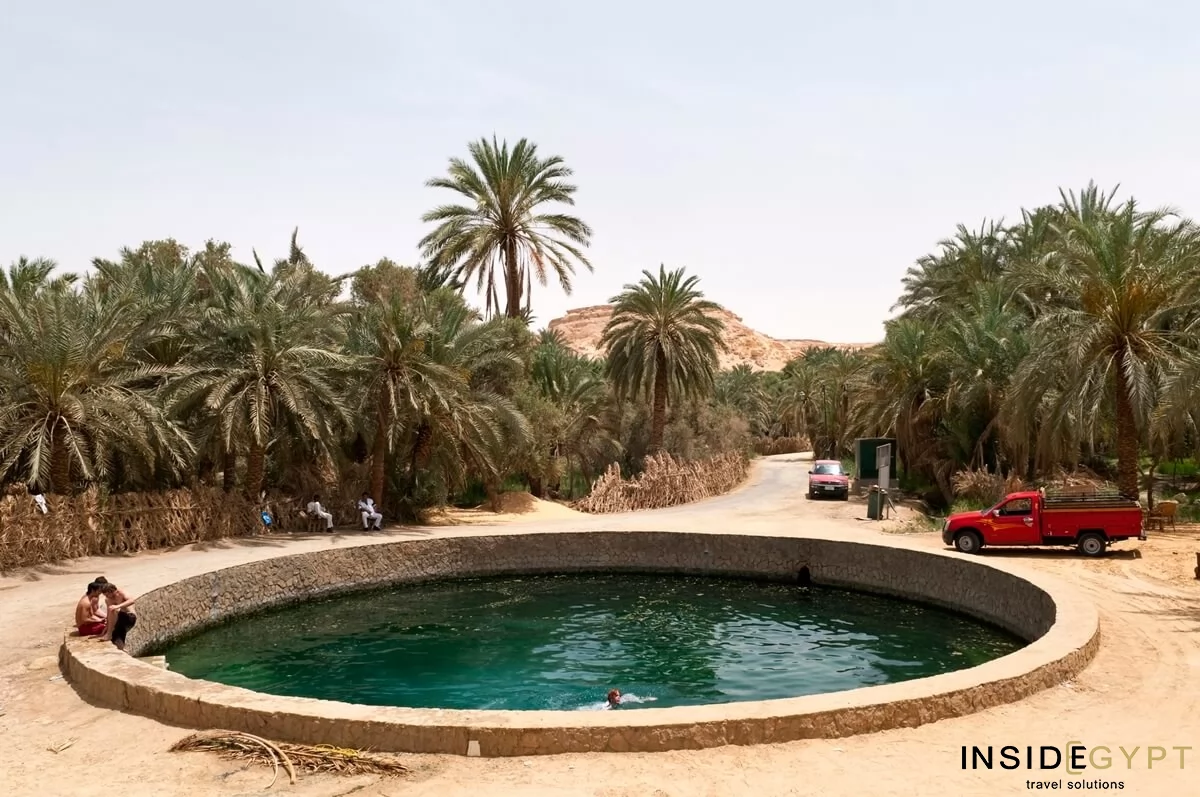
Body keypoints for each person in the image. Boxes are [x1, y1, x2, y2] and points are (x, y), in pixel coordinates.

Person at [98, 583, 138, 650]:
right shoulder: (108, 600)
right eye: (105, 595)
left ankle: (109, 634)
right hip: (120, 618)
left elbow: (132, 600)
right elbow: (109, 614)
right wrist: (107, 626)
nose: (107, 596)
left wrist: (117, 606)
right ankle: (121, 648)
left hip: (130, 616)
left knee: (113, 610)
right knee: (117, 634)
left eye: (107, 594)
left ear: (111, 591)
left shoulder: (121, 593)